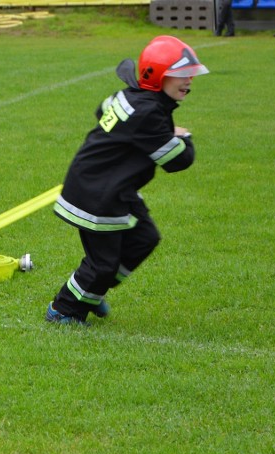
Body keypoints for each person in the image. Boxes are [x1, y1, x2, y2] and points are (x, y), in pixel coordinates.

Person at [46, 35, 209, 326]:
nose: (189, 81)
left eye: (190, 75)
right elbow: (178, 161)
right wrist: (183, 136)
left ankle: (91, 294)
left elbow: (102, 109)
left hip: (113, 188)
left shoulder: (133, 97)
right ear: (158, 76)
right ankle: (63, 309)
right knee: (103, 264)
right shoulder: (149, 113)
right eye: (182, 75)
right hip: (97, 194)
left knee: (145, 238)